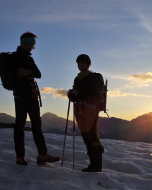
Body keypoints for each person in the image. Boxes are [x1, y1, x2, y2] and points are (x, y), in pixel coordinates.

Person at [10, 31, 60, 165]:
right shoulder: (18, 58)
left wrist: (28, 72)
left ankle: (27, 156)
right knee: (30, 125)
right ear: (28, 44)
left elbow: (38, 74)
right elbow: (32, 74)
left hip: (26, 96)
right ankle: (36, 155)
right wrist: (28, 73)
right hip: (25, 96)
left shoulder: (27, 58)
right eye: (33, 44)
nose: (34, 47)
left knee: (25, 125)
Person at [68, 54, 104, 172]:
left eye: (83, 62)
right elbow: (76, 96)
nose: (80, 65)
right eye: (78, 63)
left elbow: (94, 93)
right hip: (80, 109)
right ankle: (93, 164)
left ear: (88, 64)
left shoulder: (95, 77)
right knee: (86, 136)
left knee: (92, 135)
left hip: (90, 108)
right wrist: (71, 95)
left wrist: (77, 94)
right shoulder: (77, 79)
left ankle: (96, 165)